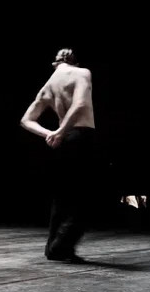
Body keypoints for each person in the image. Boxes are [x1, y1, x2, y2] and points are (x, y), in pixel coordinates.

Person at [19, 48, 105, 262]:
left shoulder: (49, 85)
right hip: (81, 136)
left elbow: (26, 120)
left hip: (63, 141)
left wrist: (51, 134)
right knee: (88, 196)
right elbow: (80, 104)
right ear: (74, 62)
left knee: (63, 196)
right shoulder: (82, 73)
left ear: (55, 64)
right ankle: (61, 246)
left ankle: (52, 248)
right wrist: (60, 131)